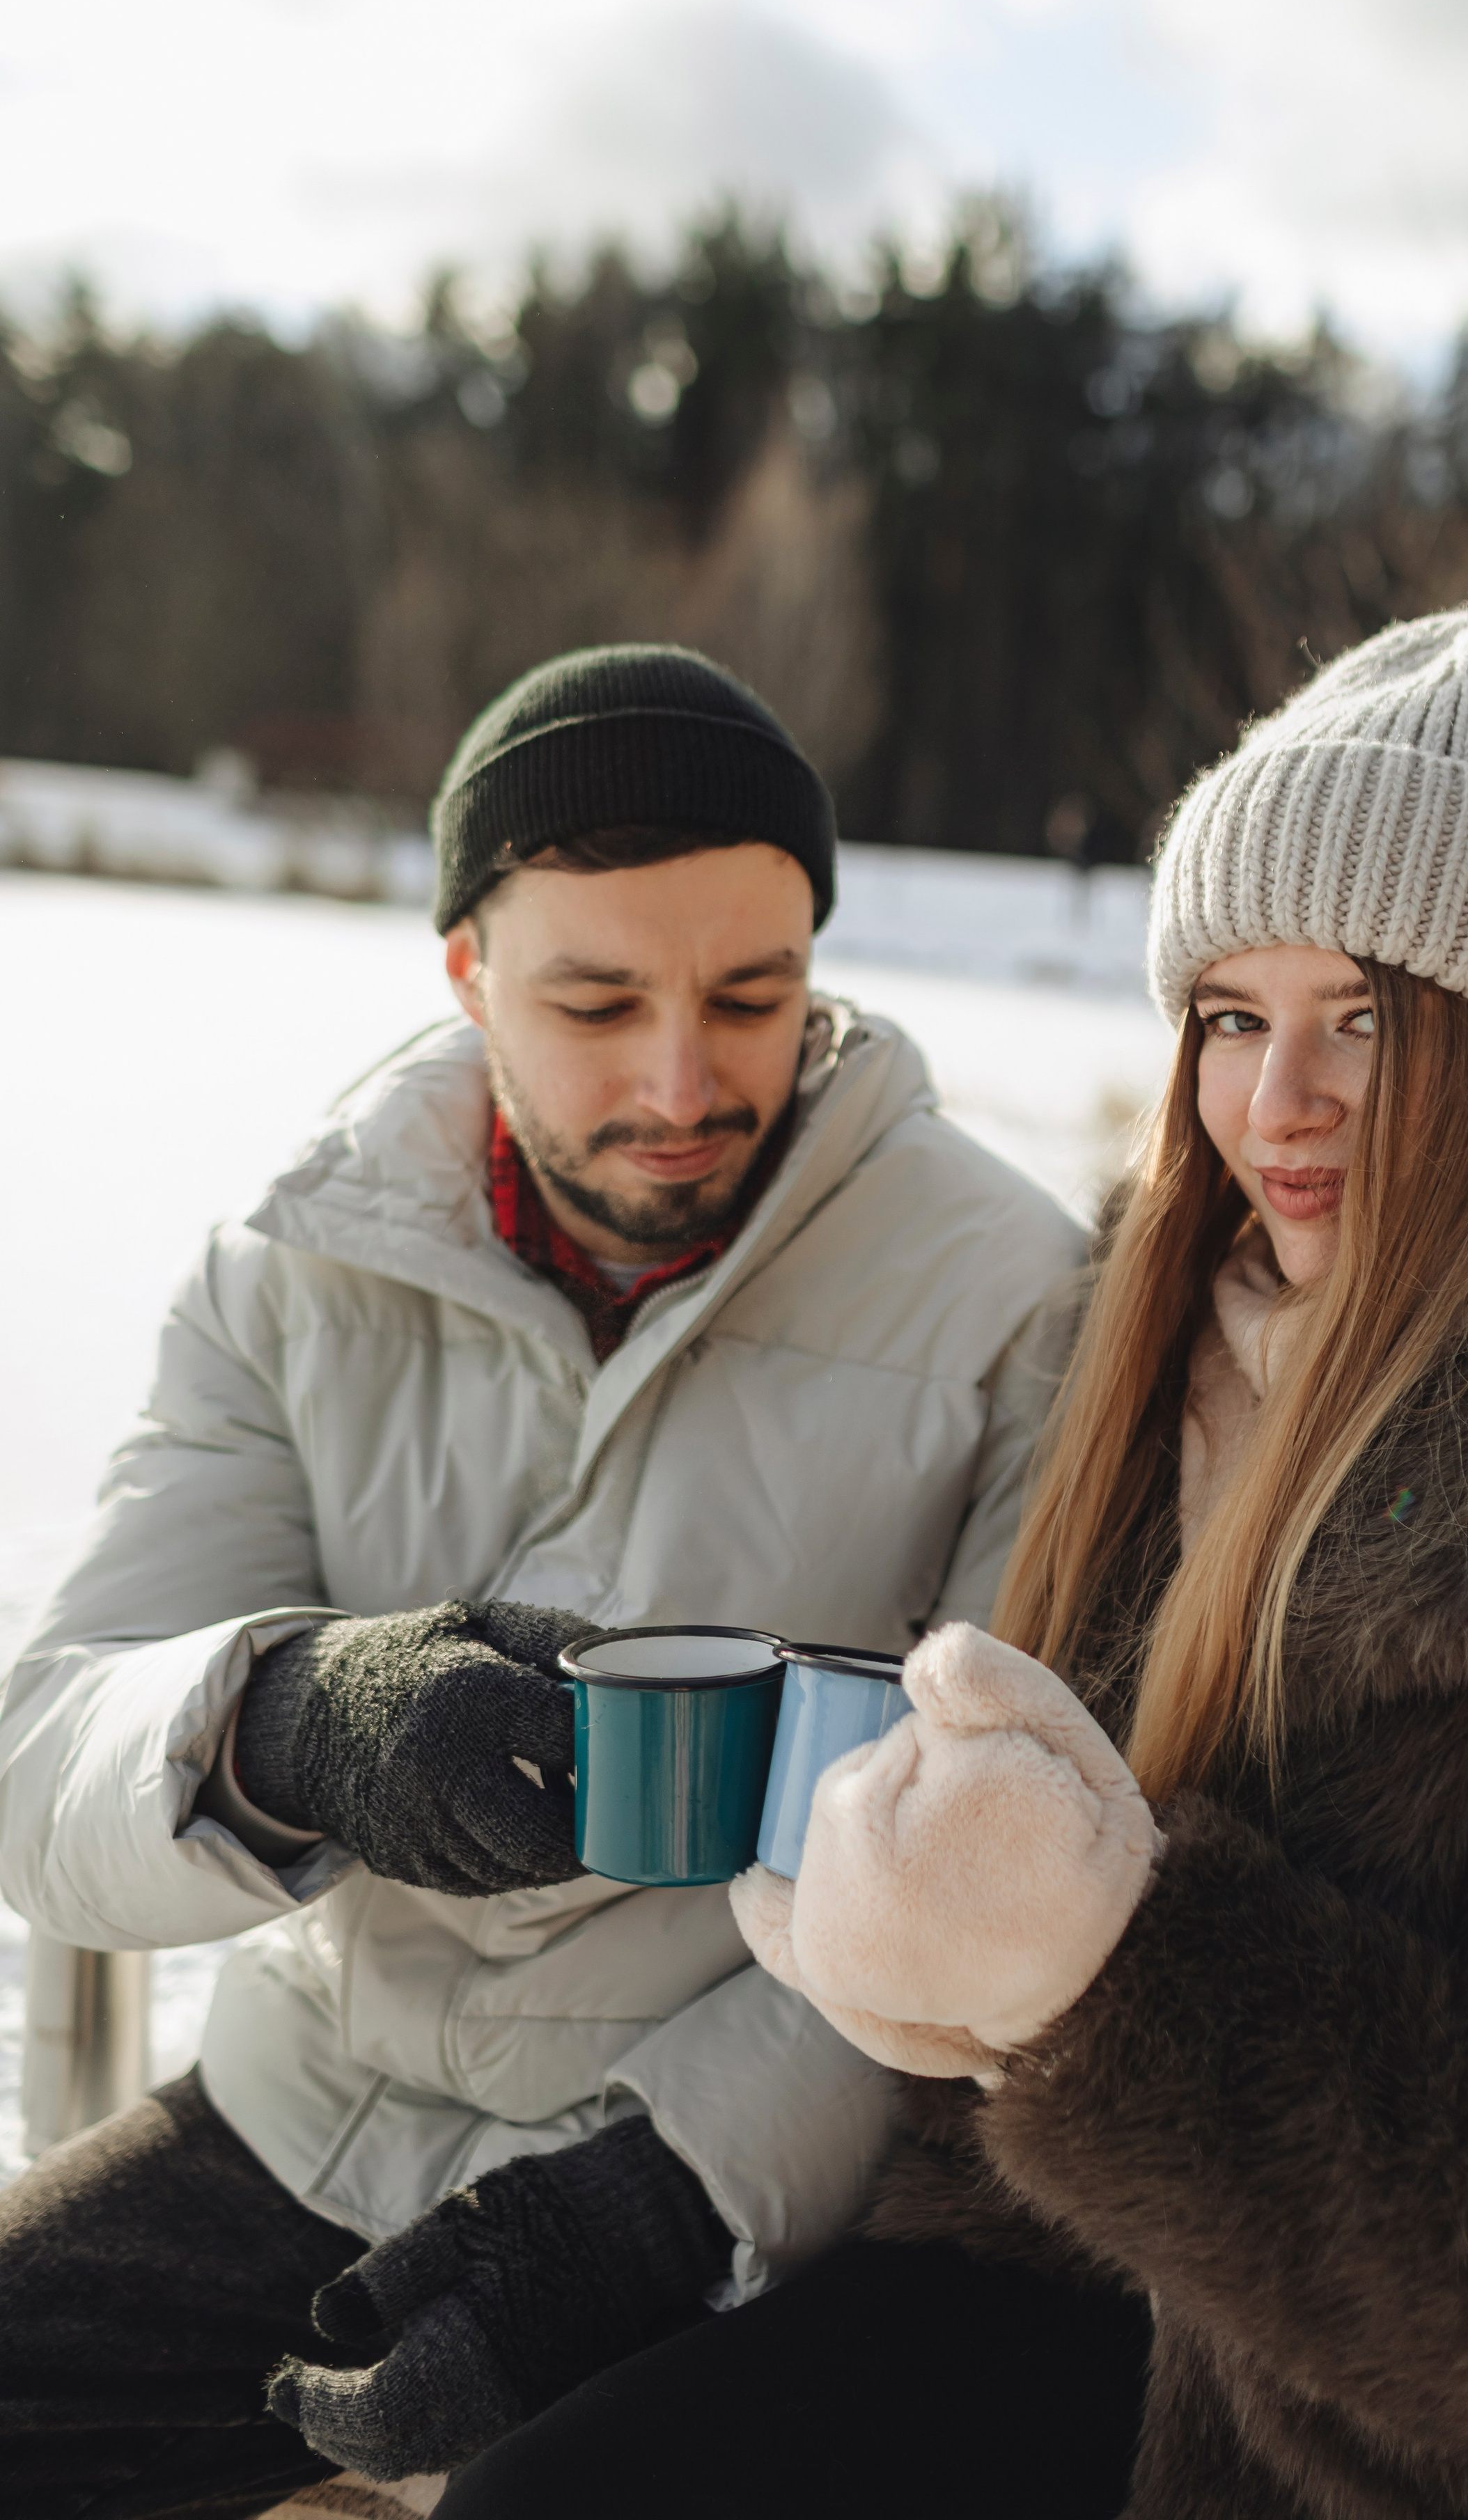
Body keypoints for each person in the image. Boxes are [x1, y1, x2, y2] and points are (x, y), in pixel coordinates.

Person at [436, 602, 1468, 2520]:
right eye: (1232, 1018)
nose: (1275, 1104)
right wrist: (929, 1952)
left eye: (1368, 1018)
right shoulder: (1174, 1337)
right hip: (1075, 2284)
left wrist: (1111, 1975)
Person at [0, 643, 1085, 2518]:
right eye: (596, 1002)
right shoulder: (291, 1264)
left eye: (755, 995)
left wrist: (651, 2210)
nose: (682, 1079)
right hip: (303, 2123)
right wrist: (289, 1724)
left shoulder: (1014, 1300)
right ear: (465, 975)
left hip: (706, 2184)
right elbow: (44, 1758)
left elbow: (989, 1881)